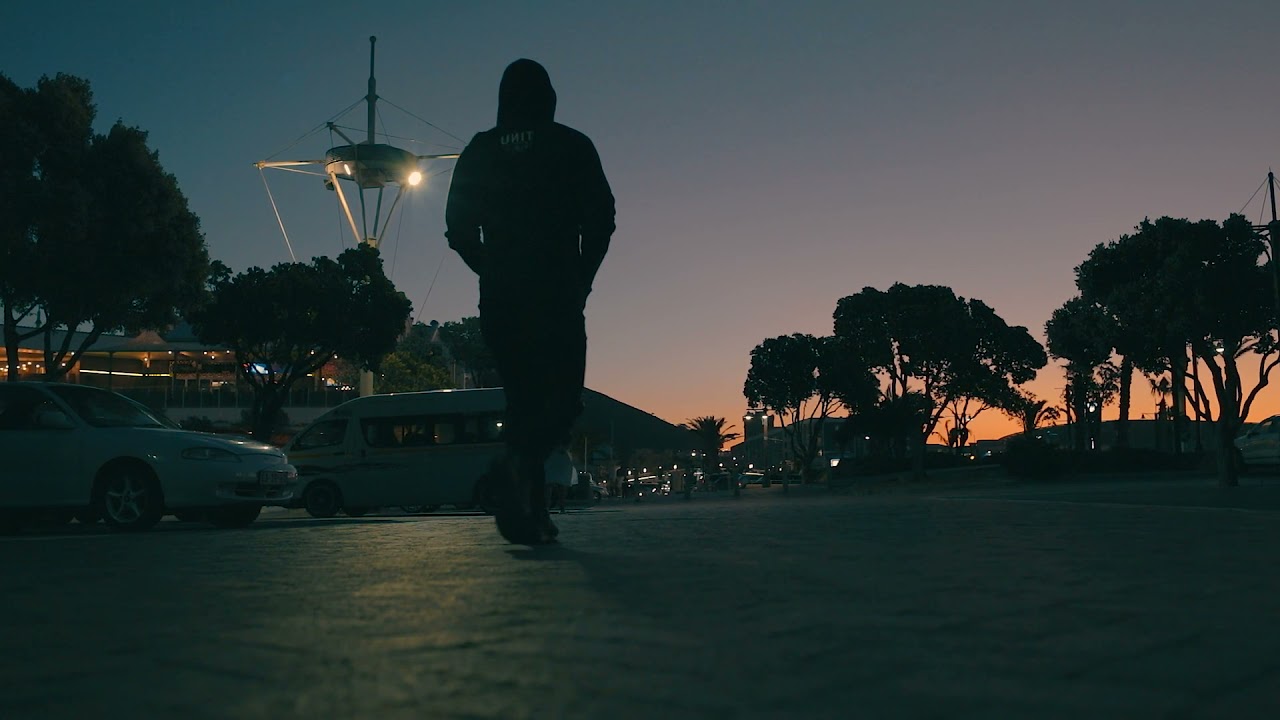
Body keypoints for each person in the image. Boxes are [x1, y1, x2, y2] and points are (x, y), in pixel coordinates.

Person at [445, 59, 615, 545]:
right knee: (561, 400)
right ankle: (514, 469)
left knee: (523, 403)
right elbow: (602, 219)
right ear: (549, 97)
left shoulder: (479, 151)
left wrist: (493, 271)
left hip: (502, 300)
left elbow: (457, 230)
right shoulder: (571, 145)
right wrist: (582, 277)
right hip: (557, 295)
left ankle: (532, 512)